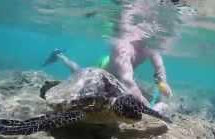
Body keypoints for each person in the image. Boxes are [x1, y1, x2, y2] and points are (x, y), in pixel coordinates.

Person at [45, 0, 179, 111]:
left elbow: (159, 67)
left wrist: (162, 82)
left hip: (120, 76)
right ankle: (60, 56)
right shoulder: (124, 46)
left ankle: (61, 56)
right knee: (79, 72)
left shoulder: (150, 46)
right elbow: (127, 81)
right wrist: (149, 109)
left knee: (137, 92)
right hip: (105, 69)